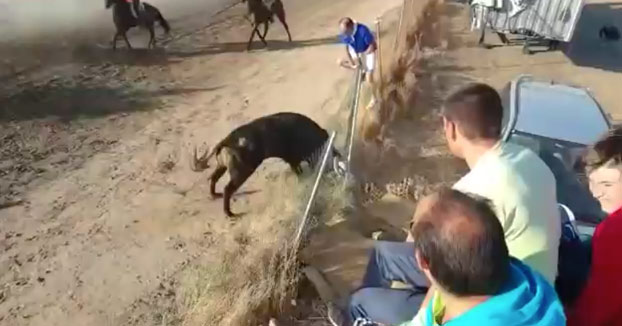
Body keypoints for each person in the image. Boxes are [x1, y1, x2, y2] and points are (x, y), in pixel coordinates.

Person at [331, 83, 561, 326]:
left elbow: (439, 261)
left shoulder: (471, 197)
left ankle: (363, 314)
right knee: (383, 254)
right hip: (524, 284)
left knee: (362, 301)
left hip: (491, 294)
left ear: (451, 128)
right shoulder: (528, 159)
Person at [566, 126, 622, 326]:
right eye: (592, 182)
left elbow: (603, 303)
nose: (596, 193)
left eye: (607, 184)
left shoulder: (614, 230)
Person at [337, 17, 377, 109]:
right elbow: (347, 48)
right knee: (345, 64)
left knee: (369, 78)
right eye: (342, 32)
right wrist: (352, 61)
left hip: (368, 51)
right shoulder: (345, 34)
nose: (343, 35)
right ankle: (360, 70)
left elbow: (372, 45)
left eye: (345, 32)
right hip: (356, 51)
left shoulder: (363, 30)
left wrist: (364, 56)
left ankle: (374, 98)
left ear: (351, 27)